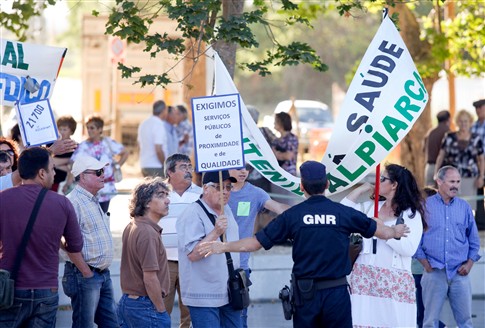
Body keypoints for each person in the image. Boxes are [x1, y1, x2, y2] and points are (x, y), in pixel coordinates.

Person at [199, 161, 410, 328]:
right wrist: (395, 231)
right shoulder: (343, 213)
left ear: (302, 187)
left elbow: (254, 243)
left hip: (306, 295)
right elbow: (378, 230)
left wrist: (223, 246)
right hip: (337, 292)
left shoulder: (293, 216)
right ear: (327, 185)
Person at [0, 147, 83, 327]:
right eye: (52, 168)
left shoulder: (2, 199)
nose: (54, 173)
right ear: (42, 173)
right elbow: (76, 245)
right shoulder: (62, 203)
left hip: (10, 289)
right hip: (46, 289)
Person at [341, 164, 426, 328]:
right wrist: (361, 189)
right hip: (364, 277)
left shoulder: (410, 214)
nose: (377, 182)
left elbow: (409, 249)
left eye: (382, 179)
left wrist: (385, 232)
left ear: (394, 185)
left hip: (394, 282)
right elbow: (343, 211)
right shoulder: (370, 208)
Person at [415, 166, 481, 328]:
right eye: (452, 181)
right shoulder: (424, 207)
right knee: (430, 322)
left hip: (460, 273)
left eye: (458, 182)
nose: (456, 186)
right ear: (439, 181)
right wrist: (425, 263)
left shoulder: (464, 207)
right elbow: (415, 239)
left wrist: (470, 263)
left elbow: (474, 240)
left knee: (466, 323)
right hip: (434, 272)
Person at [176, 170, 242, 328]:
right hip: (204, 297)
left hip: (229, 292)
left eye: (228, 187)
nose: (225, 191)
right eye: (219, 187)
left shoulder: (227, 210)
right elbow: (192, 254)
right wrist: (216, 232)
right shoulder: (192, 213)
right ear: (205, 188)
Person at [228, 164, 289, 327]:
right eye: (238, 168)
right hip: (212, 264)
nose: (243, 172)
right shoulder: (216, 191)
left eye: (246, 169)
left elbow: (278, 207)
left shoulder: (255, 192)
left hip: (240, 266)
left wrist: (304, 212)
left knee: (240, 316)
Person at [62, 155, 119, 328]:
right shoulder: (73, 202)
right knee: (83, 325)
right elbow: (64, 241)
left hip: (100, 274)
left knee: (112, 324)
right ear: (83, 176)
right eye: (98, 172)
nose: (104, 175)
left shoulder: (92, 199)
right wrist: (86, 272)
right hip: (85, 274)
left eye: (103, 171)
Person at [117, 178, 171, 328]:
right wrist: (160, 310)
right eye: (161, 195)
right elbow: (150, 278)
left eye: (167, 195)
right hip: (145, 306)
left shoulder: (134, 225)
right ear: (146, 202)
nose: (167, 201)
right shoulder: (147, 232)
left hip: (131, 303)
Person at [162, 153, 202, 328]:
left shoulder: (202, 195)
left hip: (192, 262)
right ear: (170, 172)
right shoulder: (157, 193)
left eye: (189, 167)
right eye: (183, 167)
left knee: (190, 314)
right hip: (164, 262)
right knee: (161, 310)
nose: (188, 170)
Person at [68, 115, 129, 212]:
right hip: (89, 189)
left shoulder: (108, 142)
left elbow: (125, 152)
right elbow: (73, 164)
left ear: (100, 129)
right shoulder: (84, 146)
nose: (89, 130)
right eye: (87, 128)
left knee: (103, 215)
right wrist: (69, 181)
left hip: (106, 187)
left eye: (92, 128)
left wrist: (117, 166)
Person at [435, 109, 484, 210]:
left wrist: (481, 176)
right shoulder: (449, 137)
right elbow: (441, 156)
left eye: (466, 121)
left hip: (470, 178)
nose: (463, 124)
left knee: (468, 208)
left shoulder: (476, 139)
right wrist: (436, 173)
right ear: (457, 122)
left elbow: (481, 159)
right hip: (450, 178)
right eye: (461, 121)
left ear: (470, 122)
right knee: (451, 206)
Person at [138, 100, 168, 178]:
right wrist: (165, 166)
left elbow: (139, 145)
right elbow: (158, 149)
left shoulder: (144, 123)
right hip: (156, 166)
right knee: (160, 189)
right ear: (164, 110)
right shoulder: (158, 124)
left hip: (144, 164)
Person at [424, 110, 450, 186]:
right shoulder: (448, 133)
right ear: (448, 120)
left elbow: (424, 150)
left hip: (429, 167)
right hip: (441, 168)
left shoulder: (430, 132)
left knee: (429, 194)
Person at [52, 115, 77, 192]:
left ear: (71, 131)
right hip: (52, 182)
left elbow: (74, 168)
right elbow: (49, 161)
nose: (61, 132)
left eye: (65, 129)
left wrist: (55, 164)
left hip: (66, 184)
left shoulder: (76, 147)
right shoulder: (52, 144)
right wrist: (68, 161)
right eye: (60, 129)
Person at [471, 98, 485, 229]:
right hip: (478, 165)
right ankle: (481, 223)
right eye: (476, 108)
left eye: (481, 107)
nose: (478, 110)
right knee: (478, 193)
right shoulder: (473, 127)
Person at [271, 112, 298, 176]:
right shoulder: (276, 140)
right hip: (278, 175)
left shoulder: (292, 138)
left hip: (289, 175)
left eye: (276, 121)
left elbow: (288, 156)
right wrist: (281, 155)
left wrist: (276, 154)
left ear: (281, 123)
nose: (274, 123)